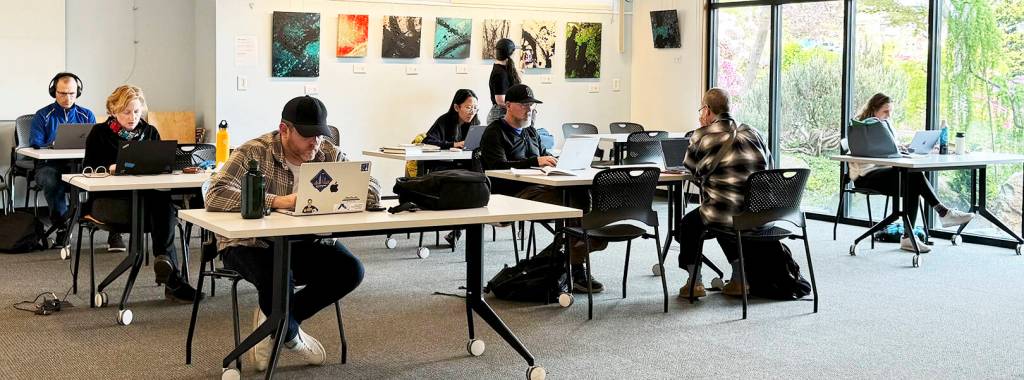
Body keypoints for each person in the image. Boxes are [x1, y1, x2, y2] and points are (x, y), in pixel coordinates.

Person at [206, 96, 377, 371]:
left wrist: (351, 191)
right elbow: (215, 194)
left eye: (320, 135)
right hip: (250, 244)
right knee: (278, 279)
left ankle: (273, 323)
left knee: (351, 270)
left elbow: (372, 189)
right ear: (284, 129)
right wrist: (276, 201)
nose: (316, 143)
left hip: (304, 242)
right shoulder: (254, 151)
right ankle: (290, 334)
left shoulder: (327, 153)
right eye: (308, 136)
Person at [479, 84, 607, 293]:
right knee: (576, 206)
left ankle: (571, 259)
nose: (529, 109)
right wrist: (535, 161)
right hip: (515, 193)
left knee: (583, 196)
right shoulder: (495, 132)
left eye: (531, 105)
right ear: (508, 105)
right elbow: (496, 168)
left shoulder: (531, 132)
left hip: (543, 186)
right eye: (524, 105)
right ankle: (574, 265)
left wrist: (558, 163)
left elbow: (543, 158)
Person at [82, 85, 201, 302]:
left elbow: (161, 166)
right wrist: (109, 168)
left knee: (163, 202)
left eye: (137, 111)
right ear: (113, 110)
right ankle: (173, 279)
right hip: (111, 203)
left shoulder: (150, 132)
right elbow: (88, 169)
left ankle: (165, 264)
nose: (133, 117)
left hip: (147, 203)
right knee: (163, 209)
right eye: (126, 112)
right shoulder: (99, 133)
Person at [848, 93, 974, 252]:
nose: (888, 116)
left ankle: (910, 236)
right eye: (885, 112)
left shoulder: (885, 124)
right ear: (874, 109)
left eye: (890, 111)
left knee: (912, 181)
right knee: (912, 177)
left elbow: (890, 148)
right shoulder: (862, 128)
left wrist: (904, 148)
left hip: (887, 171)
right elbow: (871, 153)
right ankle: (941, 213)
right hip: (865, 175)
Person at [677, 88, 771, 299]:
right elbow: (769, 168)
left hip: (724, 213)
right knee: (727, 216)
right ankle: (739, 279)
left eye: (702, 109)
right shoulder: (754, 133)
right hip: (758, 214)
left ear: (708, 111)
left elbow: (691, 169)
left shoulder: (700, 135)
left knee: (692, 223)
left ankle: (694, 283)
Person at [29, 72, 97, 247]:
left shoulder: (86, 115)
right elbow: (35, 142)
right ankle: (61, 227)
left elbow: (96, 143)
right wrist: (52, 144)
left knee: (102, 176)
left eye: (72, 93)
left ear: (78, 92)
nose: (68, 98)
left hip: (81, 164)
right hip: (49, 165)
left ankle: (101, 224)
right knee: (51, 180)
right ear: (54, 92)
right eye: (63, 93)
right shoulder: (43, 115)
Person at [486, 38, 522, 125]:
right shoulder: (499, 73)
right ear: (511, 54)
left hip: (504, 114)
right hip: (500, 116)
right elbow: (500, 101)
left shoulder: (504, 69)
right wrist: (518, 108)